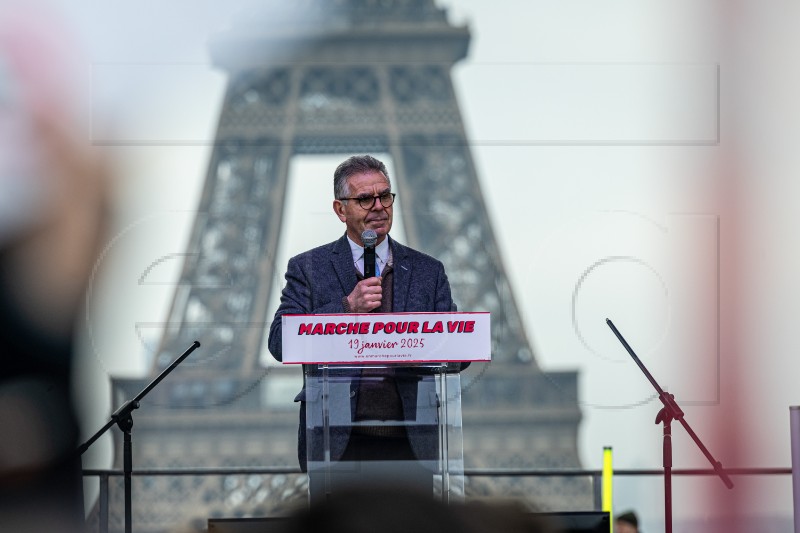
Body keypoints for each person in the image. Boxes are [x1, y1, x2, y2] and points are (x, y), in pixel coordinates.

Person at [267, 154, 460, 475]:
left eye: (385, 196)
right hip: (337, 441)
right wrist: (346, 308)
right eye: (364, 199)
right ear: (340, 209)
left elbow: (456, 355)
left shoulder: (429, 271)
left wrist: (418, 342)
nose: (378, 206)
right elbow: (280, 343)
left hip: (412, 442)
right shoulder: (308, 268)